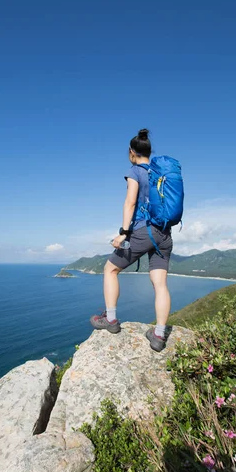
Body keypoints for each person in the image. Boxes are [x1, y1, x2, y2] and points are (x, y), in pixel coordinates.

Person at [90, 128, 173, 352]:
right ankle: (159, 335)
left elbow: (130, 202)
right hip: (164, 234)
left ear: (131, 152)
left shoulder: (135, 171)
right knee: (160, 284)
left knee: (109, 270)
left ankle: (111, 320)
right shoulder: (161, 173)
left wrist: (123, 233)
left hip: (142, 231)